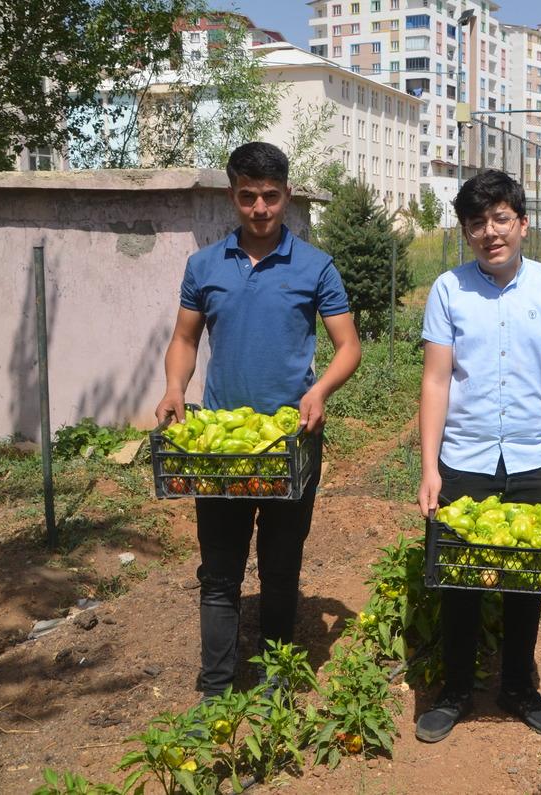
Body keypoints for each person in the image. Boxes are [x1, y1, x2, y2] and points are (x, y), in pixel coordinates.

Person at [154, 142, 362, 699]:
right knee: (219, 571)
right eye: (248, 197)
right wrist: (176, 386)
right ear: (233, 196)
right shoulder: (204, 265)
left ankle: (275, 679)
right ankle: (215, 687)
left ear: (286, 196)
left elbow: (348, 347)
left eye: (271, 196)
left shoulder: (316, 266)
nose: (260, 209)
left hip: (291, 442)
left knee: (279, 565)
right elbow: (183, 338)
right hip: (222, 447)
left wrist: (319, 390)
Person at [415, 169, 541, 743]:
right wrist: (429, 467)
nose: (490, 232)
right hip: (465, 457)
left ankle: (517, 684)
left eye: (500, 219)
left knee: (527, 579)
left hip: (534, 457)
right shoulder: (448, 290)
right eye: (477, 223)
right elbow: (436, 381)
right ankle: (457, 689)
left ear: (522, 223)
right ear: (466, 232)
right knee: (459, 579)